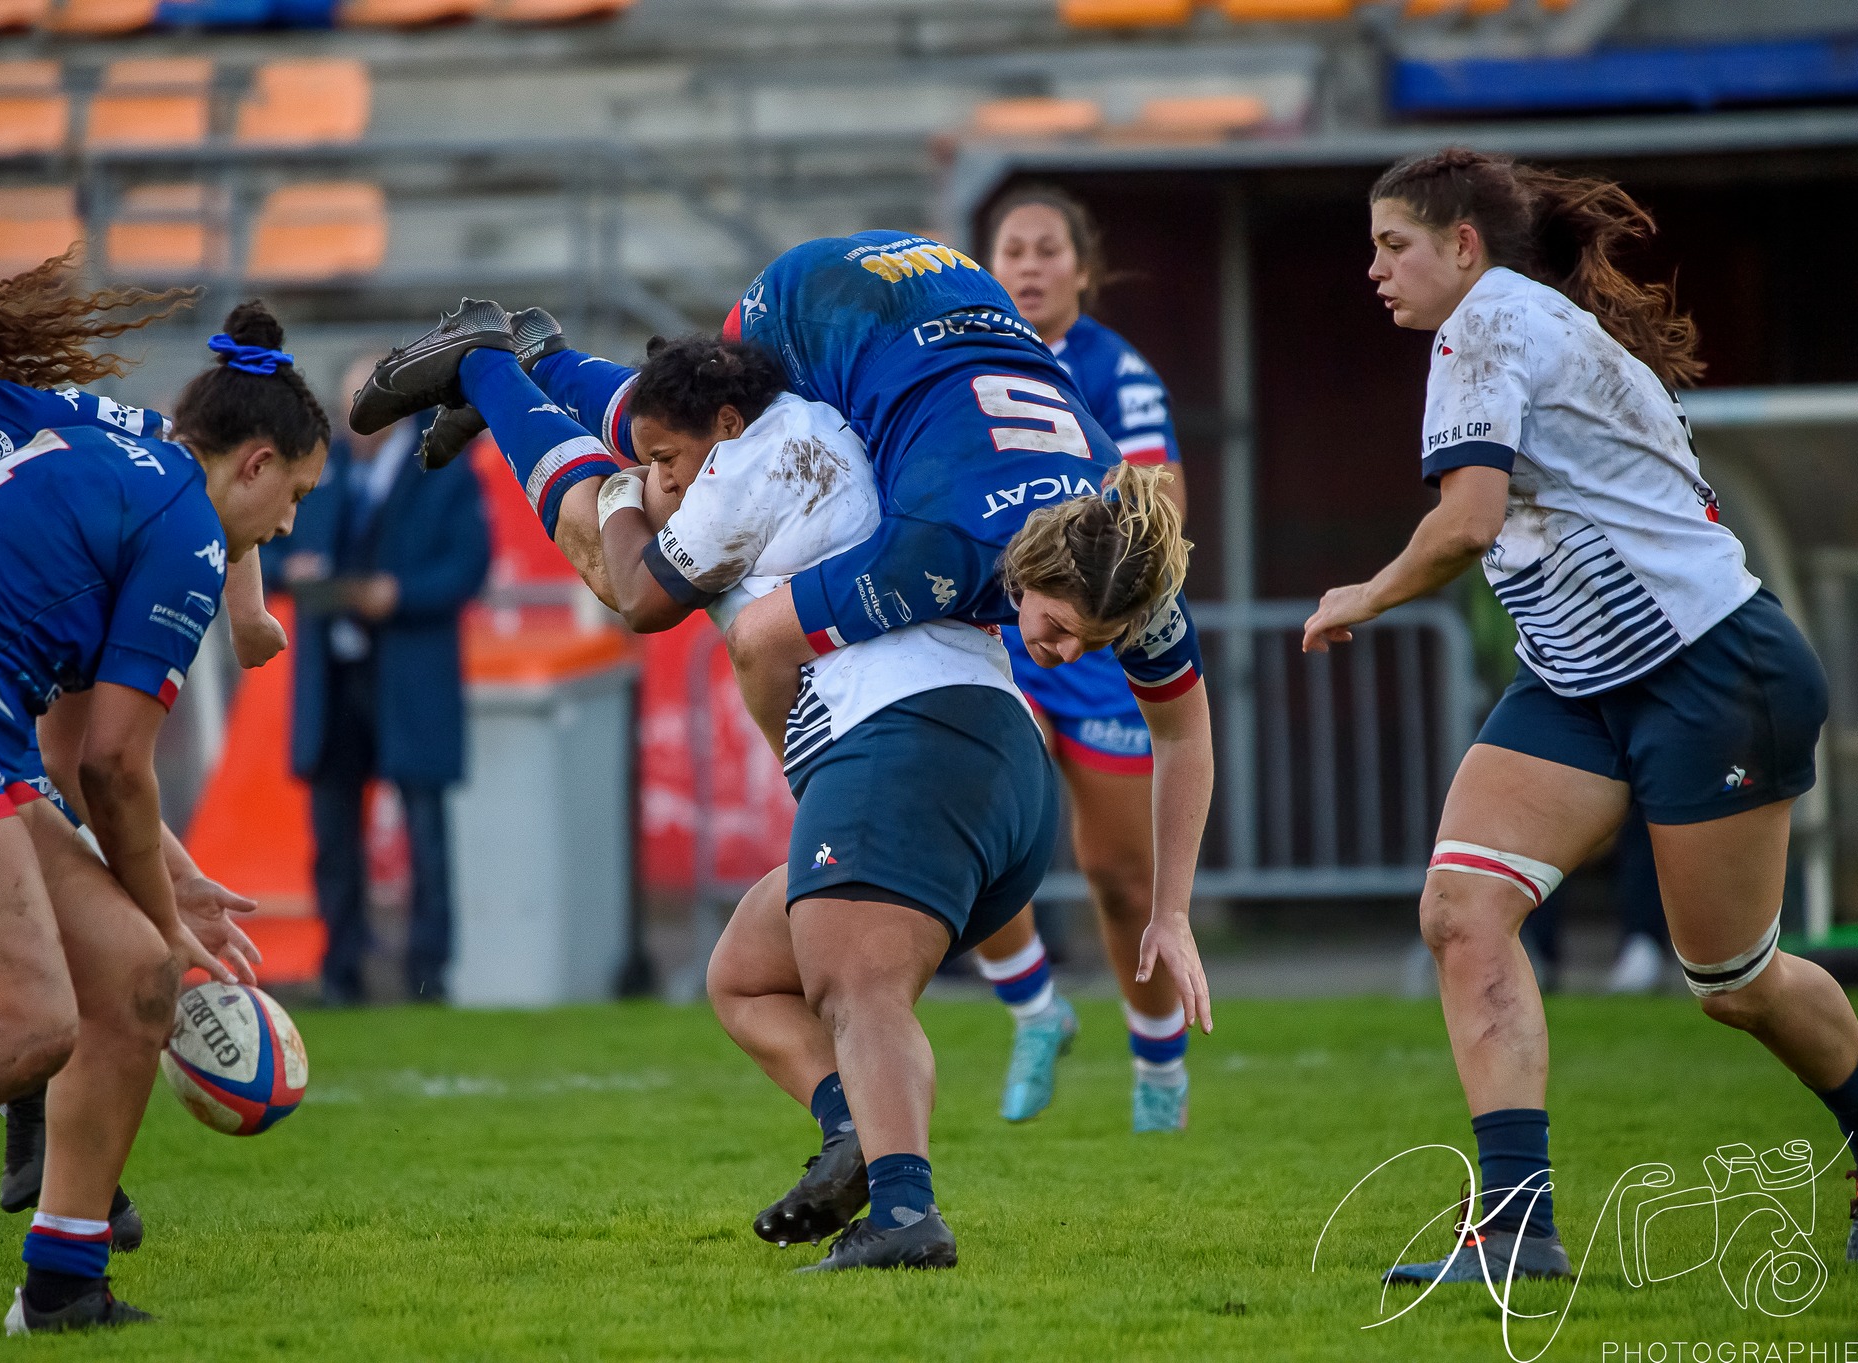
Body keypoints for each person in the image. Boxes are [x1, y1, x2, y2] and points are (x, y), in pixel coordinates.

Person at [350, 244, 1214, 1268]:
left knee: (857, 983)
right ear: (1024, 567)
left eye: (1085, 643)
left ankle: (902, 1211)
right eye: (1059, 632)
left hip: (928, 715)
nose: (1060, 656)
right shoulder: (933, 541)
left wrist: (1171, 910)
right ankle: (511, 366)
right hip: (823, 303)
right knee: (744, 974)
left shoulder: (1120, 570)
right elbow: (754, 586)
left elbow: (1183, 726)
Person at [1302, 147, 1858, 1282]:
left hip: (1709, 668)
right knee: (1462, 910)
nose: (1374, 269)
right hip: (1579, 677)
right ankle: (1514, 1229)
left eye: (1390, 244)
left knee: (1733, 984)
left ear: (1462, 247)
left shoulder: (1487, 324)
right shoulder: (1517, 322)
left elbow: (1465, 522)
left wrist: (1359, 594)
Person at [0, 300, 327, 1331]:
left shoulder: (125, 469)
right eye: (296, 496)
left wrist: (166, 896)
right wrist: (170, 914)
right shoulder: (184, 532)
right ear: (258, 462)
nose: (286, 526)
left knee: (134, 978)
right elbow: (114, 768)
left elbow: (69, 758)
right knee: (32, 1022)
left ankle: (61, 1285)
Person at [973, 185, 1192, 1129]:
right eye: (1010, 249)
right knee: (971, 831)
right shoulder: (965, 361)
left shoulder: (1117, 370)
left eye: (1046, 249)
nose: (1027, 264)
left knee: (1119, 876)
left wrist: (1091, 592)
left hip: (1097, 645)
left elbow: (1162, 504)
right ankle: (1034, 1009)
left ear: (1083, 271)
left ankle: (1159, 1072)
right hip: (996, 633)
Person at [263, 359, 491, 1004]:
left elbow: (468, 565)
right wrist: (292, 568)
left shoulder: (442, 464)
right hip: (331, 674)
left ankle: (428, 973)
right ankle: (342, 969)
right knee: (333, 831)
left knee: (424, 829)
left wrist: (400, 594)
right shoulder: (319, 465)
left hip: (408, 670)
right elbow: (265, 541)